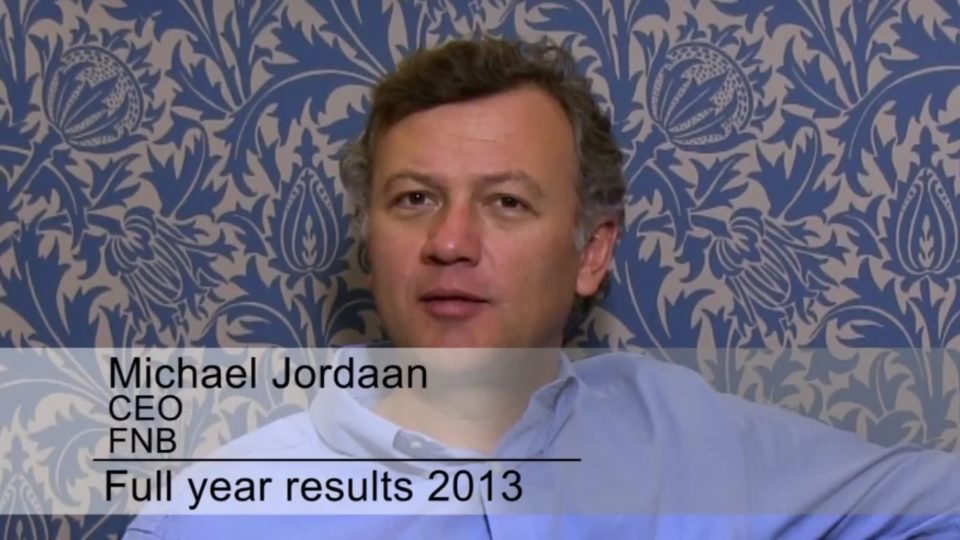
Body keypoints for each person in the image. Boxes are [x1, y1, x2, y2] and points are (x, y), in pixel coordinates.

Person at [123, 36, 960, 539]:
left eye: (507, 203)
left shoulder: (690, 436)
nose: (451, 243)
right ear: (370, 240)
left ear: (592, 251)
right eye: (414, 200)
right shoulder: (216, 512)